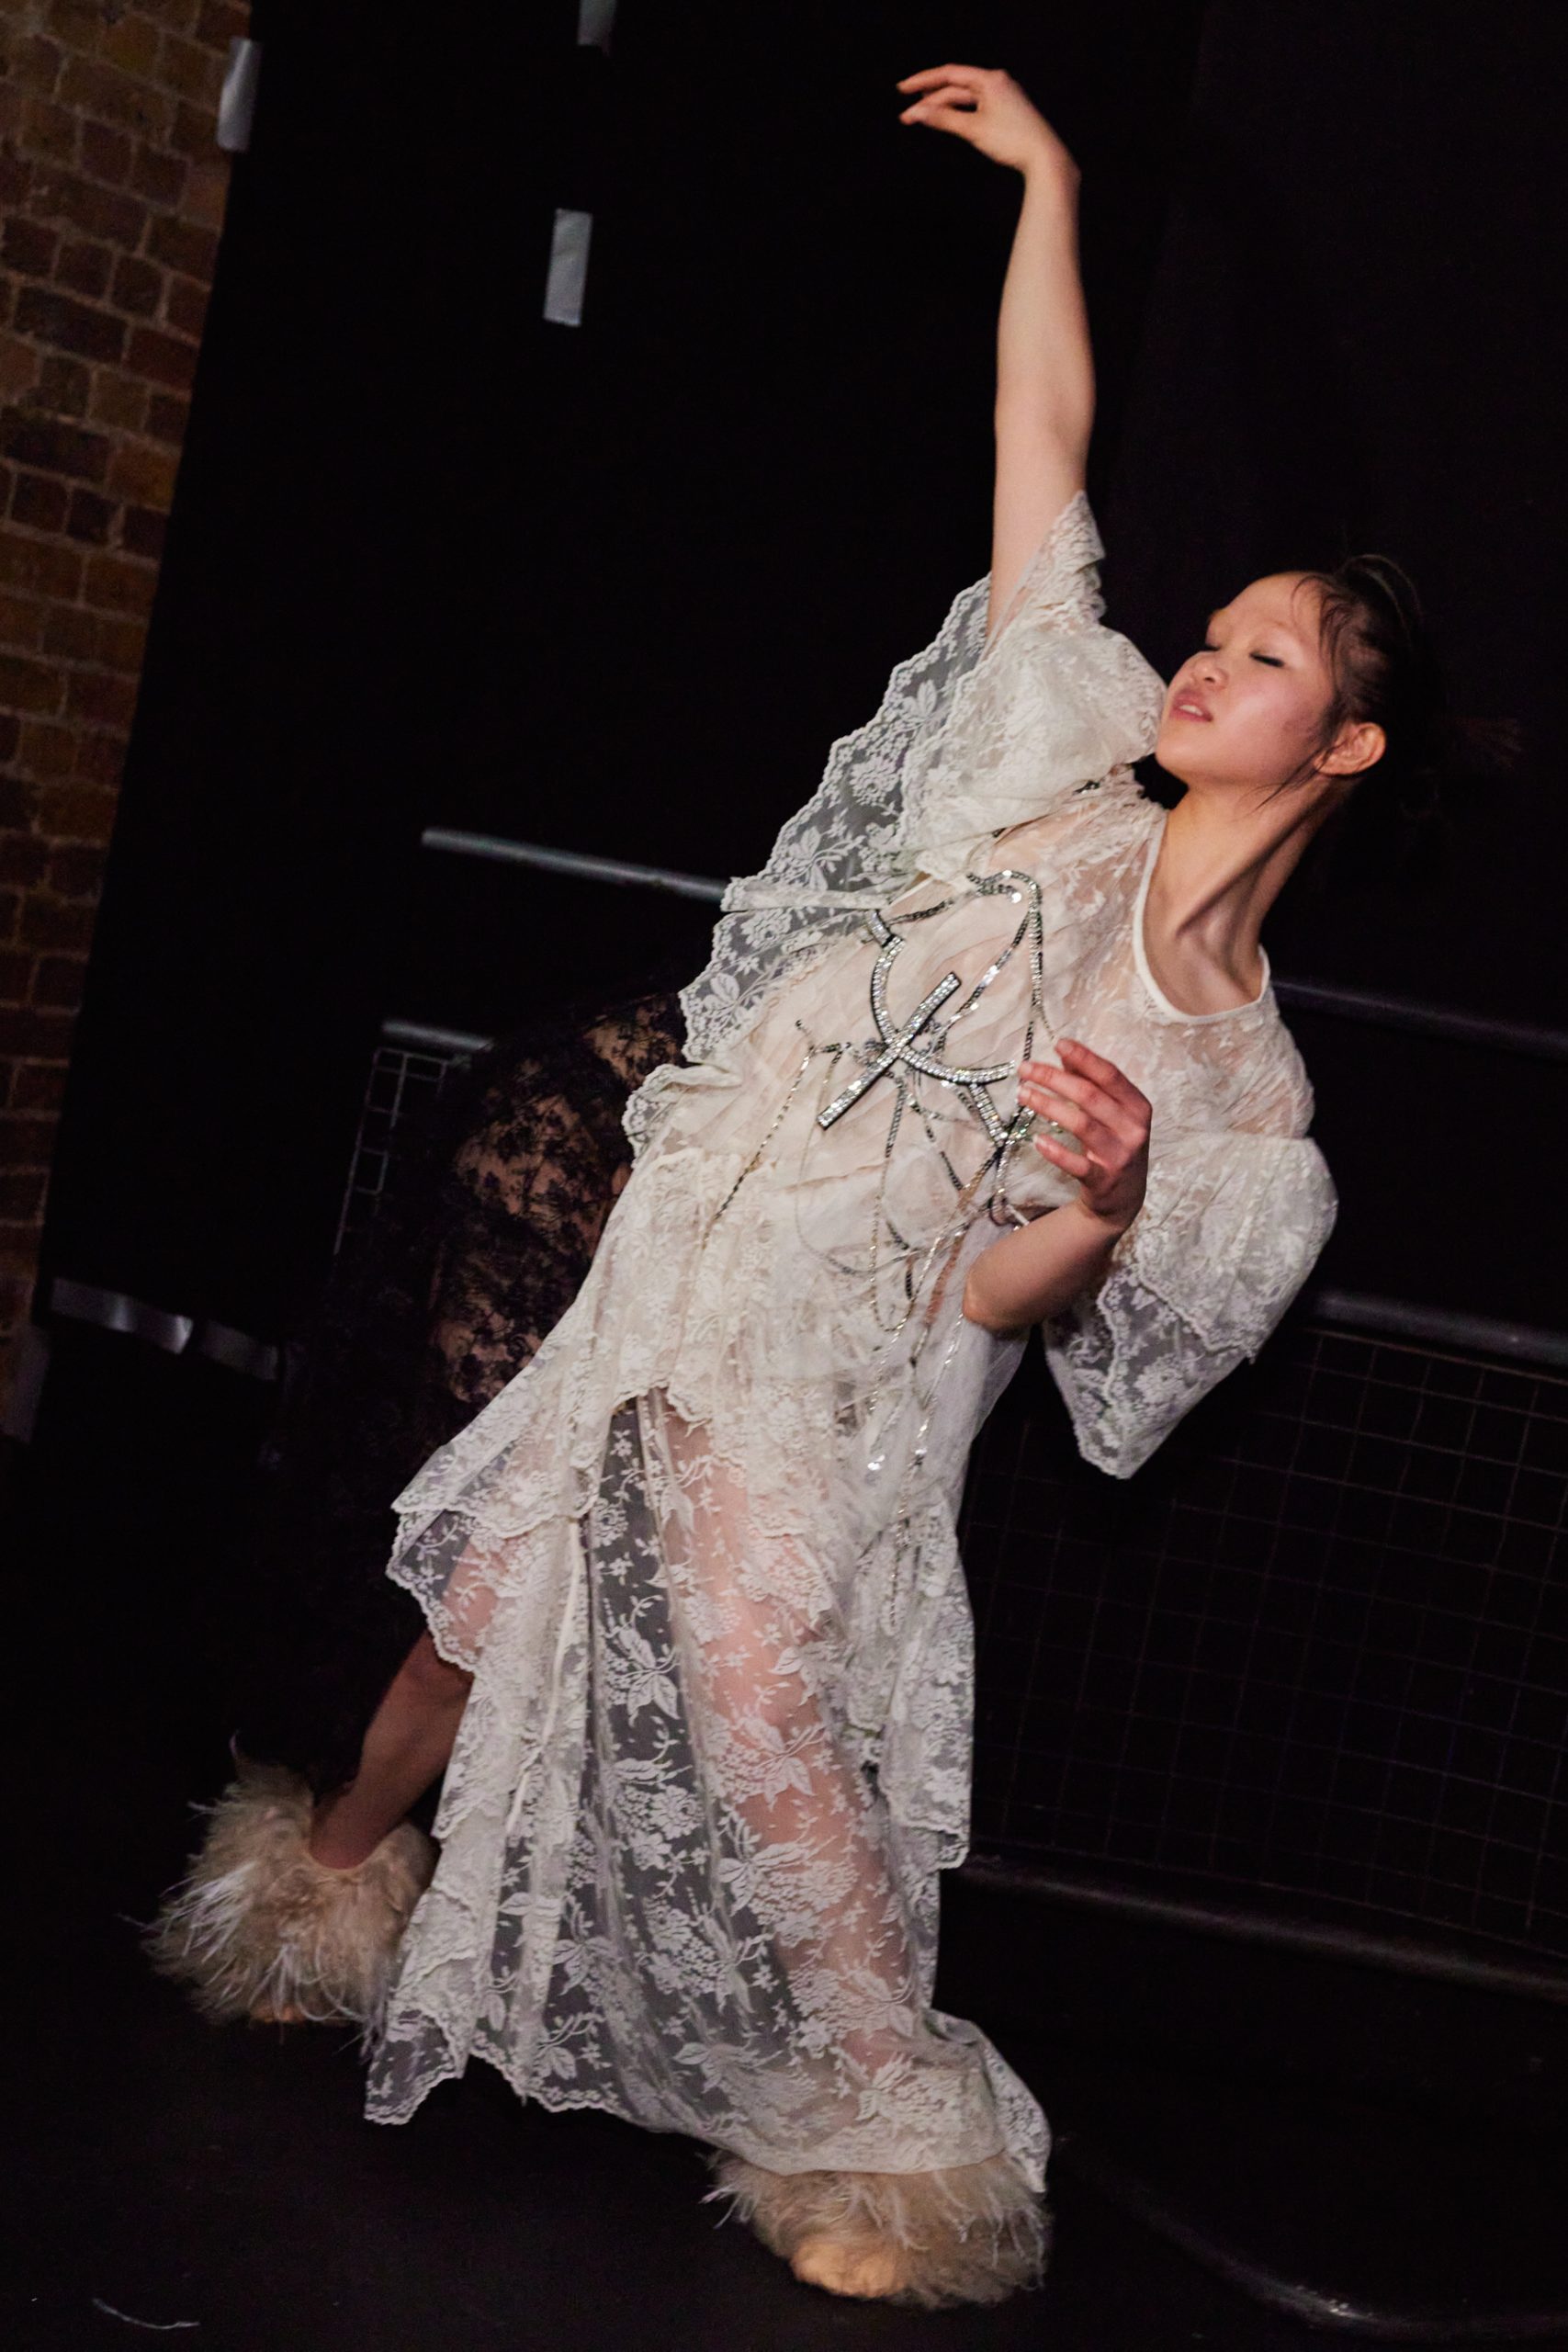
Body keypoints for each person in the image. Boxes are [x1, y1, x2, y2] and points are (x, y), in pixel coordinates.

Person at [152, 62, 1443, 2308]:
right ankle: (319, 1891)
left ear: (1335, 745)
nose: (1201, 659)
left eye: (1258, 658)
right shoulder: (1059, 757)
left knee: (757, 1703)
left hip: (851, 1370)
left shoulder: (1241, 1092)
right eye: (1214, 627)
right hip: (706, 1233)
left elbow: (1002, 1305)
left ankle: (901, 2145)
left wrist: (1109, 1201)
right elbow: (1042, 446)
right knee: (479, 1608)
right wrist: (1048, 189)